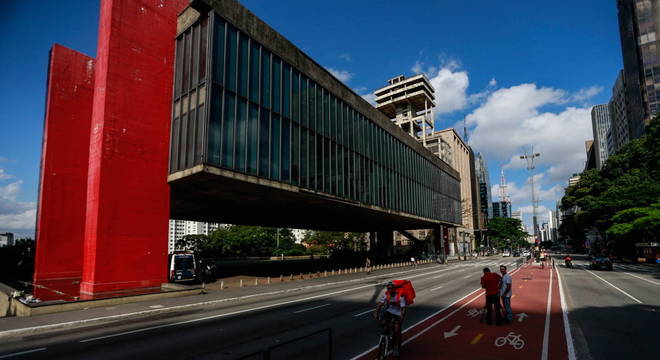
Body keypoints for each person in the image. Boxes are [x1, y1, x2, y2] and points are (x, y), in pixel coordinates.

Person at [374, 281, 406, 356]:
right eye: (388, 288)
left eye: (391, 288)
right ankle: (386, 336)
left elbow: (403, 309)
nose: (390, 290)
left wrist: (400, 319)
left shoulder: (400, 296)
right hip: (389, 312)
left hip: (398, 313)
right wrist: (376, 313)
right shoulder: (386, 295)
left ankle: (396, 347)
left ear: (395, 289)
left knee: (396, 328)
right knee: (383, 322)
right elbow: (380, 304)